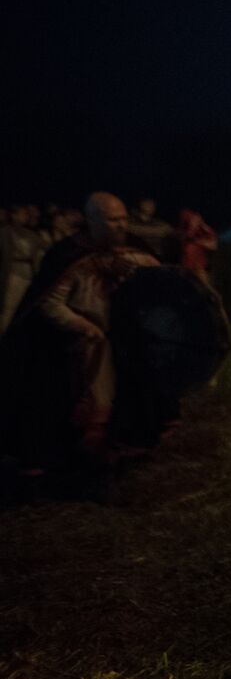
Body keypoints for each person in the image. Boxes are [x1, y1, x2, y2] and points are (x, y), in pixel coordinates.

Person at [0, 193, 159, 473]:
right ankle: (81, 458)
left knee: (134, 395)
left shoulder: (137, 250)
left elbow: (162, 288)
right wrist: (84, 327)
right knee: (84, 400)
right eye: (113, 220)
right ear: (92, 221)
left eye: (123, 218)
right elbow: (49, 302)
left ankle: (123, 445)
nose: (121, 225)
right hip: (80, 344)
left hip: (125, 340)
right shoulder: (69, 253)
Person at [0, 204, 50, 334]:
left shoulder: (31, 235)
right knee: (8, 307)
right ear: (14, 215)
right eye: (21, 214)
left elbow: (46, 247)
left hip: (27, 275)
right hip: (12, 274)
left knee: (21, 307)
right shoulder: (6, 232)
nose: (24, 217)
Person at [177, 209, 219, 286]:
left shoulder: (204, 232)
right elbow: (186, 236)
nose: (195, 220)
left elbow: (213, 244)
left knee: (204, 286)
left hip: (201, 266)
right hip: (188, 266)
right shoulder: (184, 235)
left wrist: (202, 225)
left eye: (197, 218)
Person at [126, 197, 175, 261]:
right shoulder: (128, 224)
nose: (150, 206)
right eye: (146, 203)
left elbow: (175, 234)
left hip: (156, 259)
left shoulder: (162, 225)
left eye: (151, 204)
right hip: (134, 257)